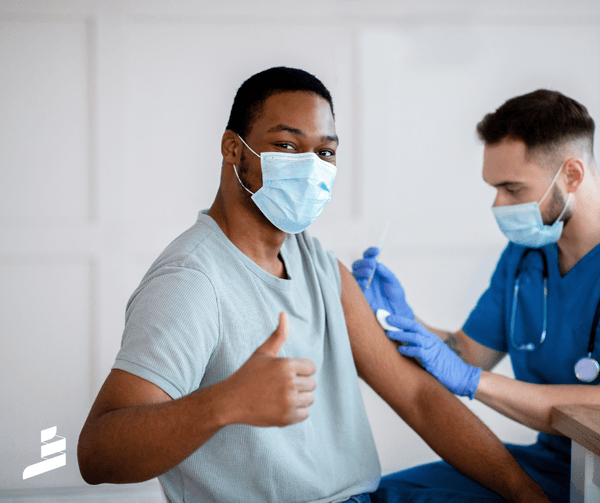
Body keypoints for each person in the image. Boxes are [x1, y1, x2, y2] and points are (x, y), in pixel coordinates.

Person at [77, 67, 551, 503]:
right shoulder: (192, 282)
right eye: (286, 145)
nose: (310, 166)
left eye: (325, 152)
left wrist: (526, 494)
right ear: (233, 149)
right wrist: (224, 402)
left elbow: (418, 398)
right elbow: (96, 454)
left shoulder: (318, 264)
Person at [353, 89, 600, 503]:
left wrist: (473, 383)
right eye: (494, 188)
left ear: (572, 175)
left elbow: (466, 372)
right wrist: (397, 318)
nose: (498, 204)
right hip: (552, 462)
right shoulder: (525, 258)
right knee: (371, 497)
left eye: (512, 188)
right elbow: (466, 353)